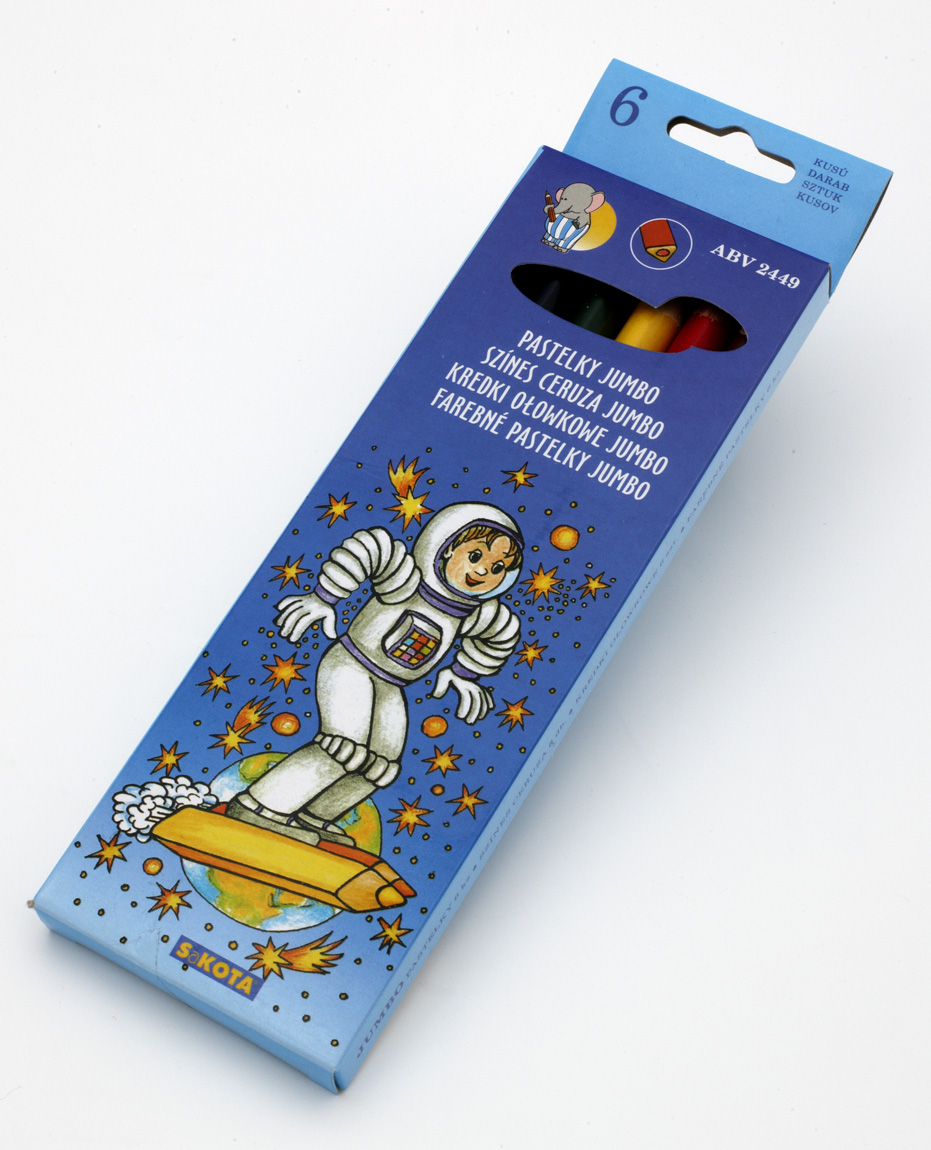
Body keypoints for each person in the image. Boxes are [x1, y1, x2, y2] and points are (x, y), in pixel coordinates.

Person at [226, 502, 523, 845]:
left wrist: (465, 672)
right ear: (446, 547)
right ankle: (260, 805)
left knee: (381, 765)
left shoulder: (473, 613)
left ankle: (314, 816)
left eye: (498, 567)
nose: (483, 570)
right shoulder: (406, 580)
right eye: (475, 555)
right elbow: (370, 548)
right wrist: (325, 597)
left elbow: (502, 634)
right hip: (351, 665)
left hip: (391, 686)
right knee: (343, 746)